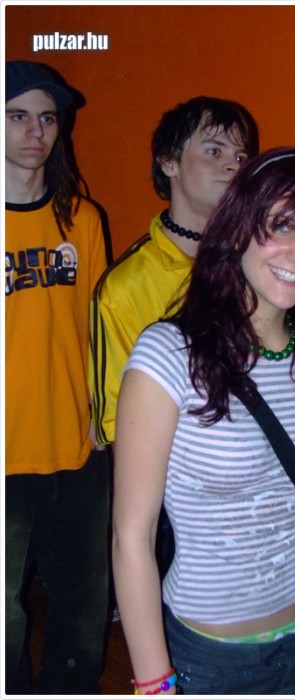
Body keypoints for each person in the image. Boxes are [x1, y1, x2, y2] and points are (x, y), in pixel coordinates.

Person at [112, 146, 295, 695]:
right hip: (216, 656)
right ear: (239, 225)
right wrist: (155, 685)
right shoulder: (168, 357)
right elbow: (131, 538)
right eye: (282, 225)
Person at [89, 96, 259, 589]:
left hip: (254, 479)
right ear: (168, 162)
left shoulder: (261, 261)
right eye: (213, 150)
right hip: (174, 494)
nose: (232, 165)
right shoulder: (127, 285)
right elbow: (115, 422)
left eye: (241, 155)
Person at [4, 60, 109, 694]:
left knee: (83, 607)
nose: (35, 132)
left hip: (78, 447)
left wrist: (104, 415)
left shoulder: (83, 220)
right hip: (5, 452)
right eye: (17, 116)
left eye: (47, 118)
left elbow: (99, 329)